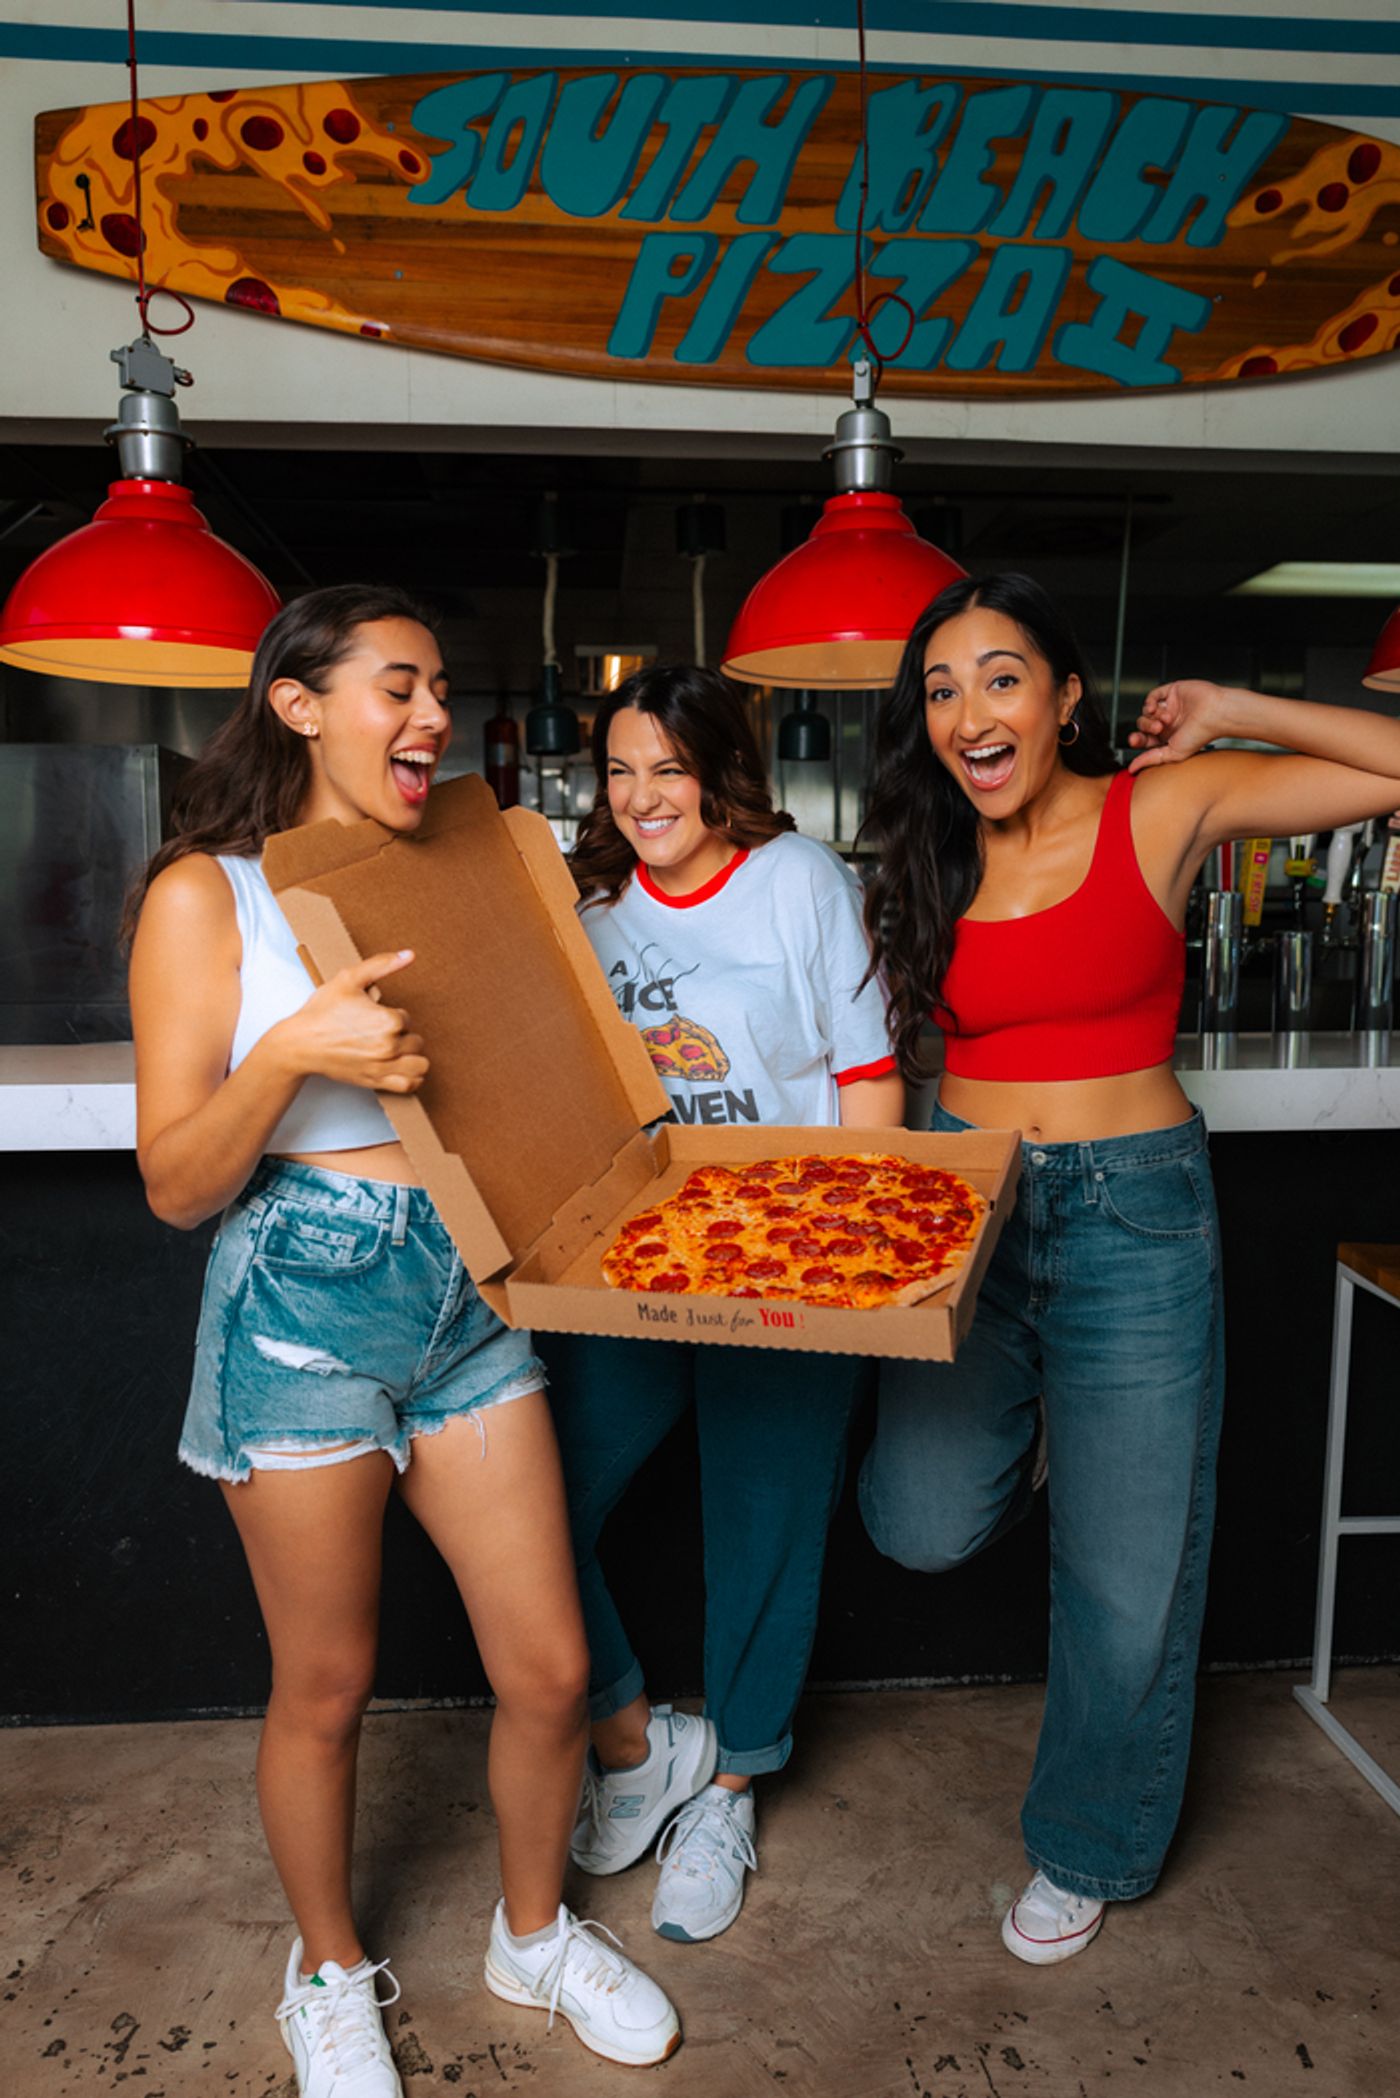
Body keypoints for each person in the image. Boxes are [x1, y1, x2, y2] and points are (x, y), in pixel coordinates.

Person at [127, 585, 679, 2097]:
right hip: (301, 1298)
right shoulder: (207, 895)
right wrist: (298, 1048)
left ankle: (532, 1932)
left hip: (467, 1292)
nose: (434, 714)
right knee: (327, 1683)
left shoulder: (458, 872)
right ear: (298, 703)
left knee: (556, 1668)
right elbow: (175, 1179)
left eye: (442, 688)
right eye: (398, 686)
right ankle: (326, 1970)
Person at [856, 571, 1400, 1966]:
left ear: (1064, 697)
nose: (967, 711)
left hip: (1132, 1217)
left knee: (1128, 1578)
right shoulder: (927, 851)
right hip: (967, 1215)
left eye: (998, 677)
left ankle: (1088, 1836)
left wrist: (1229, 708)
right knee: (913, 1513)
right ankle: (1065, 1439)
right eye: (939, 687)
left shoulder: (1163, 806)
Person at [538, 663, 903, 1945]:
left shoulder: (801, 881)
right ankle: (641, 1742)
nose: (643, 797)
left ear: (719, 772)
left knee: (763, 1526)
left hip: (791, 1256)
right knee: (533, 1510)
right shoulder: (587, 914)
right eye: (620, 771)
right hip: (635, 1261)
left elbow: (866, 1076)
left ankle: (732, 1784)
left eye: (668, 769)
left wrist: (859, 1267)